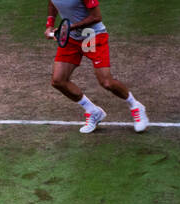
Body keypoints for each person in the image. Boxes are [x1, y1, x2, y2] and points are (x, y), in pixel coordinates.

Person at [45, 1, 148, 134]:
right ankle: (93, 111)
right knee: (58, 80)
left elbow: (96, 17)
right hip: (71, 38)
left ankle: (136, 105)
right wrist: (50, 24)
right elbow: (53, 3)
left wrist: (69, 28)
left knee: (106, 82)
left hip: (92, 35)